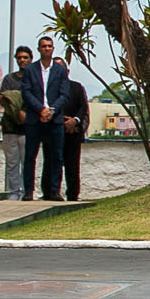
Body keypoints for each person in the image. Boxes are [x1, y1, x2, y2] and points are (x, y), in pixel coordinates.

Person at [19, 35, 70, 201]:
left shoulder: (60, 70)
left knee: (56, 156)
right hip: (35, 118)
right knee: (30, 156)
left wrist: (52, 111)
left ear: (53, 48)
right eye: (43, 46)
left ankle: (54, 190)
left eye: (49, 46)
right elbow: (26, 92)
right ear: (39, 49)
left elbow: (64, 94)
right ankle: (28, 191)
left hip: (54, 119)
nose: (47, 48)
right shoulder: (29, 70)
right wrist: (41, 110)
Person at [0, 54, 29, 200]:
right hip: (10, 126)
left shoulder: (33, 78)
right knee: (12, 163)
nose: (22, 60)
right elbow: (4, 98)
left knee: (26, 162)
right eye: (20, 57)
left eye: (25, 57)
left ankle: (25, 190)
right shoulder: (9, 79)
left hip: (27, 127)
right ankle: (14, 191)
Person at [59, 59, 89, 201]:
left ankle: (73, 194)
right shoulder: (47, 88)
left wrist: (73, 121)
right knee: (53, 163)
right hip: (54, 131)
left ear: (67, 71)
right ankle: (52, 192)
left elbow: (83, 108)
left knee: (72, 165)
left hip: (73, 132)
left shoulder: (77, 87)